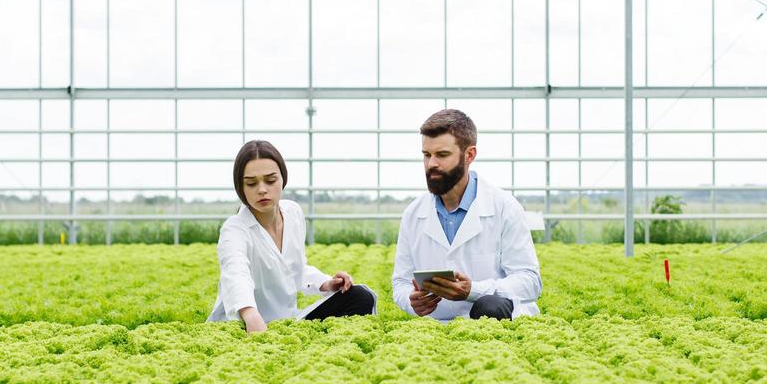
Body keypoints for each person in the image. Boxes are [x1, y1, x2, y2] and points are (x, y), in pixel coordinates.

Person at [208, 139, 377, 332]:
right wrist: (250, 314)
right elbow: (236, 275)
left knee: (360, 296)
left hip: (287, 323)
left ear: (283, 179)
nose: (262, 189)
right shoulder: (235, 229)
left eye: (270, 180)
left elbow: (296, 268)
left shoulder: (293, 213)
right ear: (241, 188)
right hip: (246, 325)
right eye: (251, 183)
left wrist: (326, 283)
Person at [392, 109, 542, 321]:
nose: (431, 164)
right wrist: (411, 301)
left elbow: (530, 281)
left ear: (469, 155)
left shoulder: (503, 206)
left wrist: (474, 290)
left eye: (442, 155)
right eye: (426, 155)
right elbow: (400, 282)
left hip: (494, 328)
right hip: (437, 325)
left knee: (489, 306)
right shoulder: (413, 214)